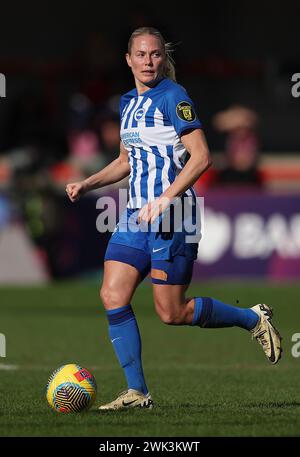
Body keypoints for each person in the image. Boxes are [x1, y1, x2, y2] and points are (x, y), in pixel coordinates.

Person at [66, 27, 282, 410]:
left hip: (175, 216)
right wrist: (88, 183)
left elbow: (201, 156)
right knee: (112, 294)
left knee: (171, 312)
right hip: (136, 216)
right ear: (128, 60)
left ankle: (251, 318)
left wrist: (167, 199)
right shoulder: (128, 102)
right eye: (141, 55)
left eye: (155, 55)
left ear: (162, 59)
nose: (148, 61)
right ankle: (137, 392)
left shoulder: (174, 97)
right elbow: (125, 161)